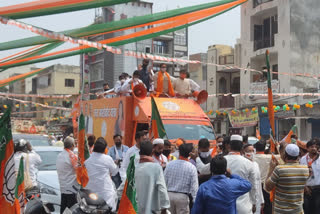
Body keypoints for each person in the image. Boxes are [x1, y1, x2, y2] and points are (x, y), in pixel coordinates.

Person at [196, 135, 257, 214]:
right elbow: (253, 186)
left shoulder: (221, 160)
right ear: (242, 147)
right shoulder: (249, 164)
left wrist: (197, 158)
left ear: (229, 146)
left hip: (224, 207)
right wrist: (254, 202)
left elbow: (202, 170)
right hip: (243, 207)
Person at [265, 144, 309, 214]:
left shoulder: (279, 169)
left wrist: (271, 169)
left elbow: (267, 187)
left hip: (280, 211)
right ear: (298, 155)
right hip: (297, 211)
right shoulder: (305, 169)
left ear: (285, 155)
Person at [135, 140, 170, 214]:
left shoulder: (134, 167)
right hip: (151, 210)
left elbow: (122, 189)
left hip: (135, 209)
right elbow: (162, 188)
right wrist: (164, 207)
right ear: (152, 152)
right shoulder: (156, 168)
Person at [85, 138, 118, 211]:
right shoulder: (107, 159)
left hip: (90, 192)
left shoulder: (88, 159)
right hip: (105, 193)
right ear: (105, 149)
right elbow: (115, 172)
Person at [164, 143, 198, 214]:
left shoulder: (170, 164)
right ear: (190, 154)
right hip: (182, 197)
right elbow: (194, 187)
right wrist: (195, 201)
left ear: (179, 152)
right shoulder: (191, 167)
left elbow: (164, 181)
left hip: (169, 195)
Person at [56, 137, 79, 214]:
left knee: (64, 209)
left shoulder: (59, 155)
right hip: (71, 188)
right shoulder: (71, 156)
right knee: (72, 209)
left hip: (63, 187)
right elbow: (79, 169)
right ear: (72, 145)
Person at [300, 139, 320, 214]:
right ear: (307, 148)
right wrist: (304, 187)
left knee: (317, 210)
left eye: (315, 147)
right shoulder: (302, 160)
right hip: (306, 190)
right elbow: (300, 175)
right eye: (311, 146)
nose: (314, 148)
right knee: (307, 210)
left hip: (318, 190)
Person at [243, 144, 264, 214]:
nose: (251, 153)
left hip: (257, 198)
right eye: (249, 151)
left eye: (253, 151)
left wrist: (262, 200)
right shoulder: (243, 164)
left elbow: (259, 181)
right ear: (244, 152)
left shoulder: (256, 164)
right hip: (247, 198)